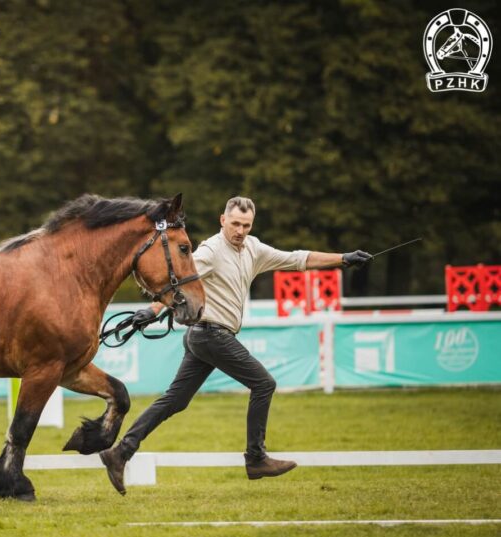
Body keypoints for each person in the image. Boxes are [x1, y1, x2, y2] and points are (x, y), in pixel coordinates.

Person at [99, 196, 372, 494]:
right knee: (264, 384)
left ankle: (120, 453)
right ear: (222, 220)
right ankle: (256, 459)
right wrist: (152, 311)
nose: (240, 230)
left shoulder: (253, 248)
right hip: (210, 334)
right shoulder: (211, 251)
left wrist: (343, 258)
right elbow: (179, 281)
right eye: (235, 224)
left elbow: (297, 259)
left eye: (246, 225)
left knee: (175, 401)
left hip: (204, 337)